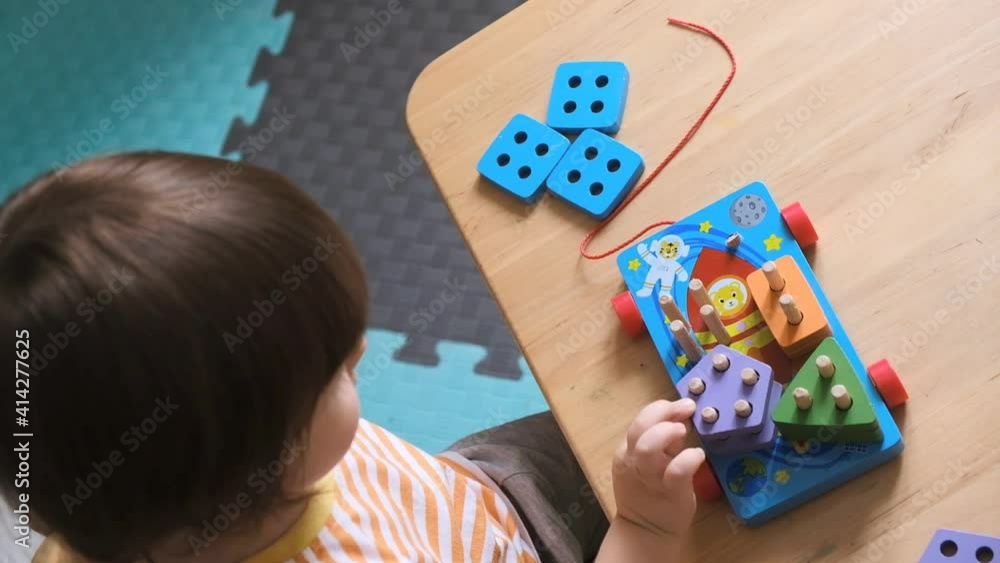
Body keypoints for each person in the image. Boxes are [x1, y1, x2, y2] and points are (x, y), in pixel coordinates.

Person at [0, 152, 705, 562]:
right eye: (337, 369)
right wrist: (643, 527)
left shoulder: (108, 498)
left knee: (623, 406)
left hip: (462, 494)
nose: (363, 347)